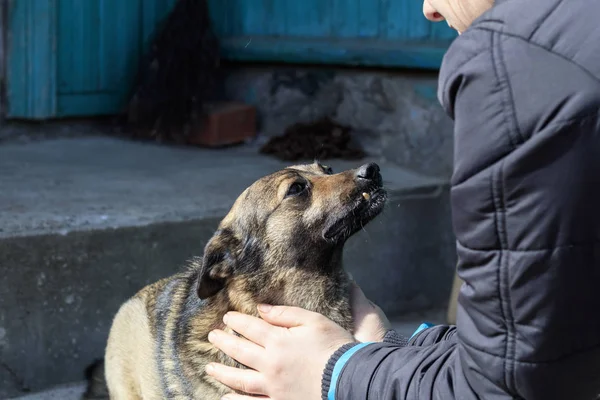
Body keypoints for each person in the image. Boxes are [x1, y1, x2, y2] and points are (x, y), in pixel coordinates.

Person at [204, 0, 600, 398]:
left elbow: (497, 384)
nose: (428, 9)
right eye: (298, 189)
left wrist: (336, 372)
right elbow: (529, 354)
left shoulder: (516, 65)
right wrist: (386, 349)